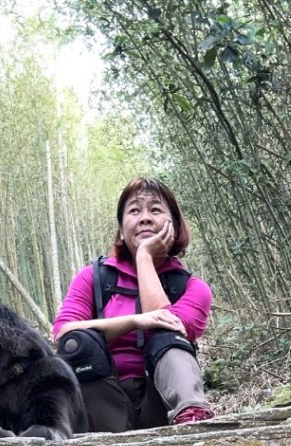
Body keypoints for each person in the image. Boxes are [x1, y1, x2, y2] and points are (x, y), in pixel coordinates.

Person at [53, 177, 215, 432]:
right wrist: (134, 321)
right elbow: (64, 334)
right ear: (120, 230)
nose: (145, 218)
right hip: (101, 407)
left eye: (155, 209)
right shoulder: (93, 278)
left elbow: (166, 323)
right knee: (79, 345)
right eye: (134, 210)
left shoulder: (194, 289)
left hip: (161, 405)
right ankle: (97, 445)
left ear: (175, 225)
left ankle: (192, 419)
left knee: (167, 335)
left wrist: (144, 258)